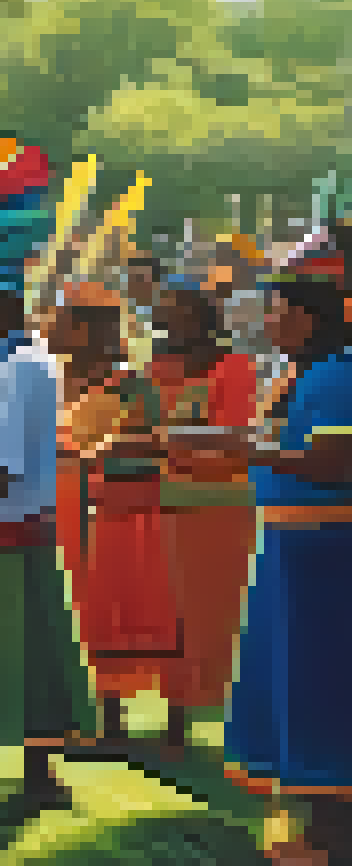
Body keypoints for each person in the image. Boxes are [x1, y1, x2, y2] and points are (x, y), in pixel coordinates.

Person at [0, 277, 92, 808]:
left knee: (22, 656)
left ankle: (38, 775)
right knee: (25, 654)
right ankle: (35, 775)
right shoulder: (10, 366)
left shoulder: (19, 369)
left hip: (5, 530)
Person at [225, 266, 352, 863]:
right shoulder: (304, 375)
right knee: (302, 688)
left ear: (309, 317)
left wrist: (244, 448)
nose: (268, 323)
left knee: (321, 689)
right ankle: (318, 830)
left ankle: (330, 840)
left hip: (323, 557)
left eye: (277, 312)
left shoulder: (334, 376)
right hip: (295, 550)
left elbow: (333, 463)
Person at [45, 289, 179, 746]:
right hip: (63, 509)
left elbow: (150, 445)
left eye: (60, 322)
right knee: (81, 612)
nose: (49, 330)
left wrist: (93, 451)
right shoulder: (52, 381)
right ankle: (103, 721)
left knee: (136, 609)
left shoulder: (130, 384)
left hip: (122, 513)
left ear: (85, 331)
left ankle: (170, 724)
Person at [144, 282, 259, 756]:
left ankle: (226, 721)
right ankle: (173, 722)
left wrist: (166, 441)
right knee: (165, 611)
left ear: (208, 318)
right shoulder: (155, 369)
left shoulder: (234, 367)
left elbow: (230, 437)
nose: (174, 321)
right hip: (159, 505)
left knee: (210, 614)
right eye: (167, 312)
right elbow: (137, 424)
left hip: (215, 507)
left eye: (184, 313)